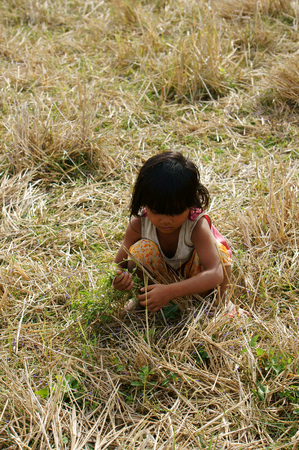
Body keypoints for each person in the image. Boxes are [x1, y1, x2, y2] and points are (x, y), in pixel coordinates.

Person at [112, 151, 232, 313]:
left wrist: (170, 291)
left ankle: (221, 305)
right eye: (157, 211)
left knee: (220, 253)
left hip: (198, 288)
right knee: (138, 251)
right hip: (158, 287)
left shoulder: (196, 225)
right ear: (145, 203)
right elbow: (118, 264)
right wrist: (118, 278)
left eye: (175, 212)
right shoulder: (140, 224)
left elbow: (216, 273)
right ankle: (146, 301)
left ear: (190, 204)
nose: (166, 220)